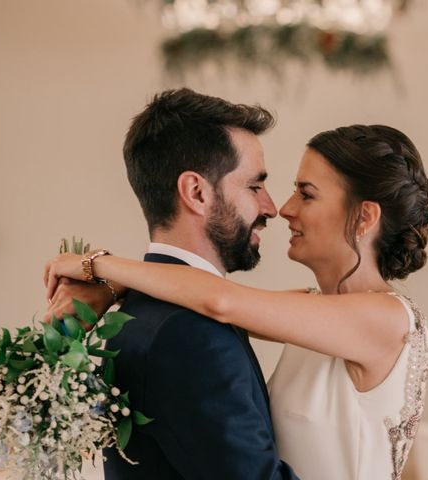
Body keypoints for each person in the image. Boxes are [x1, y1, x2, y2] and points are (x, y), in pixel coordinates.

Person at [46, 122, 428, 480]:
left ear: (364, 216)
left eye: (306, 193)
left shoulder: (387, 319)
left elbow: (220, 301)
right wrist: (116, 289)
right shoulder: (311, 309)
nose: (284, 209)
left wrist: (97, 265)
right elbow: (201, 299)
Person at [46, 89, 299, 479]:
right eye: (254, 187)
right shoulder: (190, 334)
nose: (270, 207)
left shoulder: (142, 309)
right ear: (196, 192)